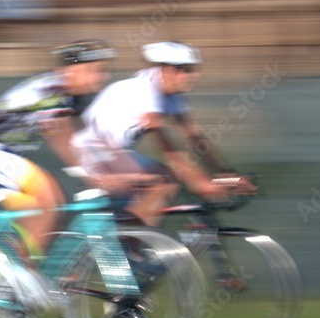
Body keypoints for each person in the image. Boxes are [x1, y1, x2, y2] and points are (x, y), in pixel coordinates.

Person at [0, 39, 115, 306]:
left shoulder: (72, 96)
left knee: (46, 213)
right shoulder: (52, 91)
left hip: (4, 154)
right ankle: (21, 277)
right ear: (69, 71)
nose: (102, 76)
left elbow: (87, 139)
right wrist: (97, 176)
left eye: (103, 70)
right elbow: (63, 140)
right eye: (94, 69)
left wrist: (111, 166)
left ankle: (4, 281)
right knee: (48, 196)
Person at [74, 40, 257, 227]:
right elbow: (167, 146)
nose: (194, 75)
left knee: (168, 182)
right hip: (92, 152)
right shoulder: (144, 91)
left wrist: (226, 174)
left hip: (114, 152)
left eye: (194, 69)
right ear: (167, 71)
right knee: (165, 181)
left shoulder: (171, 93)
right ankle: (127, 244)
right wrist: (200, 182)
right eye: (187, 70)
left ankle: (132, 241)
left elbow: (195, 138)